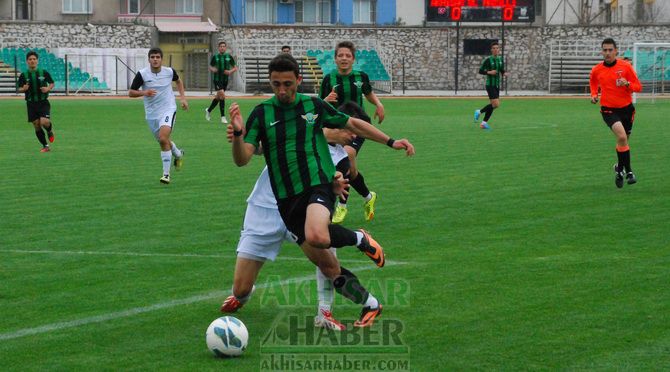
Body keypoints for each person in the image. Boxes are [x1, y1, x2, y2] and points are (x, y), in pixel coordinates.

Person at [229, 53, 415, 327]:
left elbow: (352, 124)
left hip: (316, 188)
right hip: (284, 202)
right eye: (276, 84)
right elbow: (242, 158)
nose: (282, 90)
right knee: (329, 267)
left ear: (299, 81)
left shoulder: (313, 107)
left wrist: (391, 141)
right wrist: (237, 136)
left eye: (288, 84)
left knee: (317, 234)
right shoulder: (261, 113)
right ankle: (370, 304)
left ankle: (358, 239)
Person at [219, 125, 359, 330]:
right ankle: (241, 296)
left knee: (329, 262)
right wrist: (241, 138)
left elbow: (335, 181)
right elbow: (259, 148)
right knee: (240, 290)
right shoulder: (298, 135)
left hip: (299, 213)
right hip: (264, 209)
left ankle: (325, 312)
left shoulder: (341, 159)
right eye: (349, 131)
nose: (354, 137)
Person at [320, 41, 384, 224]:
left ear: (353, 59)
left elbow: (369, 93)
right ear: (335, 59)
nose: (344, 58)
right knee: (351, 170)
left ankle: (342, 205)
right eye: (341, 55)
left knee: (347, 154)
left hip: (359, 126)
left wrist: (379, 104)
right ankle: (367, 196)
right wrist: (326, 99)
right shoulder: (328, 79)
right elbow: (318, 104)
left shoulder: (360, 76)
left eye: (348, 55)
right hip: (337, 126)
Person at [129, 47, 188, 184]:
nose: (155, 59)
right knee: (163, 140)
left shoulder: (169, 72)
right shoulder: (142, 74)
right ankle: (178, 154)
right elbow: (131, 92)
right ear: (149, 59)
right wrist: (144, 93)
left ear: (161, 59)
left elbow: (178, 81)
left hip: (168, 109)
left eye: (158, 57)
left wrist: (183, 98)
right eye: (152, 57)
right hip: (151, 114)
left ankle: (166, 175)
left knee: (163, 139)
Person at [589, 38, 642, 188]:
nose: (607, 53)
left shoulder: (625, 67)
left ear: (616, 51)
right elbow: (593, 82)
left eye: (610, 50)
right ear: (602, 51)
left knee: (623, 142)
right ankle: (630, 172)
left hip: (627, 109)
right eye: (604, 50)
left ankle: (619, 169)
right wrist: (594, 94)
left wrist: (627, 84)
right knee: (622, 136)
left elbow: (638, 87)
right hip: (608, 109)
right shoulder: (597, 69)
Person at [17, 51, 55, 153]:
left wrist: (48, 88)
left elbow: (52, 83)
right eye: (30, 59)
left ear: (37, 61)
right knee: (37, 125)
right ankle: (45, 146)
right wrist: (23, 88)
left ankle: (49, 131)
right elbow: (18, 88)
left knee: (44, 122)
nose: (32, 61)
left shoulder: (44, 72)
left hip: (43, 102)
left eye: (34, 59)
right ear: (27, 61)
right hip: (31, 104)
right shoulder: (23, 75)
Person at [474, 41, 507, 130]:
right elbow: (480, 71)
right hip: (490, 85)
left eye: (497, 48)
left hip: (496, 85)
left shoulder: (500, 59)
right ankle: (479, 111)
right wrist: (489, 72)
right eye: (494, 48)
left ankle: (483, 124)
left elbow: (501, 69)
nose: (496, 50)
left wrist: (504, 73)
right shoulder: (488, 60)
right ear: (491, 50)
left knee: (493, 105)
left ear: (499, 50)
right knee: (496, 104)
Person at [206, 41, 237, 124]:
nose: (222, 47)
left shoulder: (229, 57)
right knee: (222, 96)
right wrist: (213, 69)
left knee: (218, 97)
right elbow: (210, 66)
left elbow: (235, 68)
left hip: (225, 80)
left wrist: (230, 71)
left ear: (225, 48)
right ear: (218, 48)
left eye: (224, 46)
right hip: (217, 79)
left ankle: (208, 110)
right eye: (221, 46)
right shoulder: (215, 57)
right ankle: (223, 117)